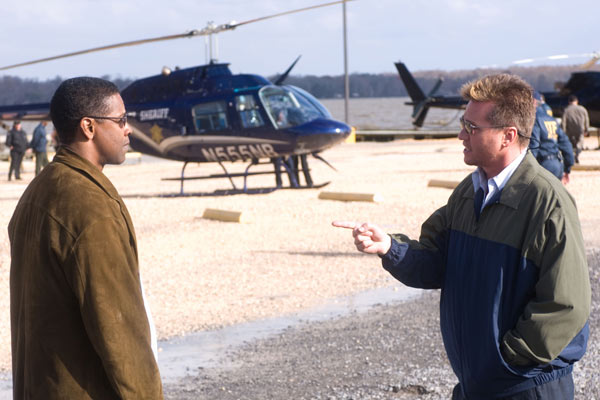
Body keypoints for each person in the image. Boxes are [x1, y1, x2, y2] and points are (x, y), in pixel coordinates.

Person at [333, 74, 590, 399]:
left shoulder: (548, 202)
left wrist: (506, 359)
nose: (460, 135)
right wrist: (389, 247)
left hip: (526, 387)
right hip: (478, 384)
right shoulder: (468, 193)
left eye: (472, 128)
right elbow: (435, 261)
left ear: (507, 136)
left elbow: (565, 305)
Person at [8, 77, 163, 399]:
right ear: (88, 127)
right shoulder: (91, 208)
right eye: (120, 120)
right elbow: (119, 329)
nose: (128, 129)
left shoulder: (39, 190)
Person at [530, 91, 574, 184]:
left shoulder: (534, 119)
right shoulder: (551, 118)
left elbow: (534, 145)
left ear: (532, 101)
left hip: (543, 165)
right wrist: (567, 168)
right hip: (557, 164)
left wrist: (528, 168)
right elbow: (566, 144)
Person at [561, 95, 589, 163]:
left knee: (571, 145)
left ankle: (572, 156)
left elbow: (563, 122)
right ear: (577, 101)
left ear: (569, 102)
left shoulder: (566, 110)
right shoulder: (583, 109)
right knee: (579, 144)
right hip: (580, 130)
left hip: (570, 131)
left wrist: (563, 131)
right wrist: (586, 130)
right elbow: (587, 120)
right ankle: (577, 155)